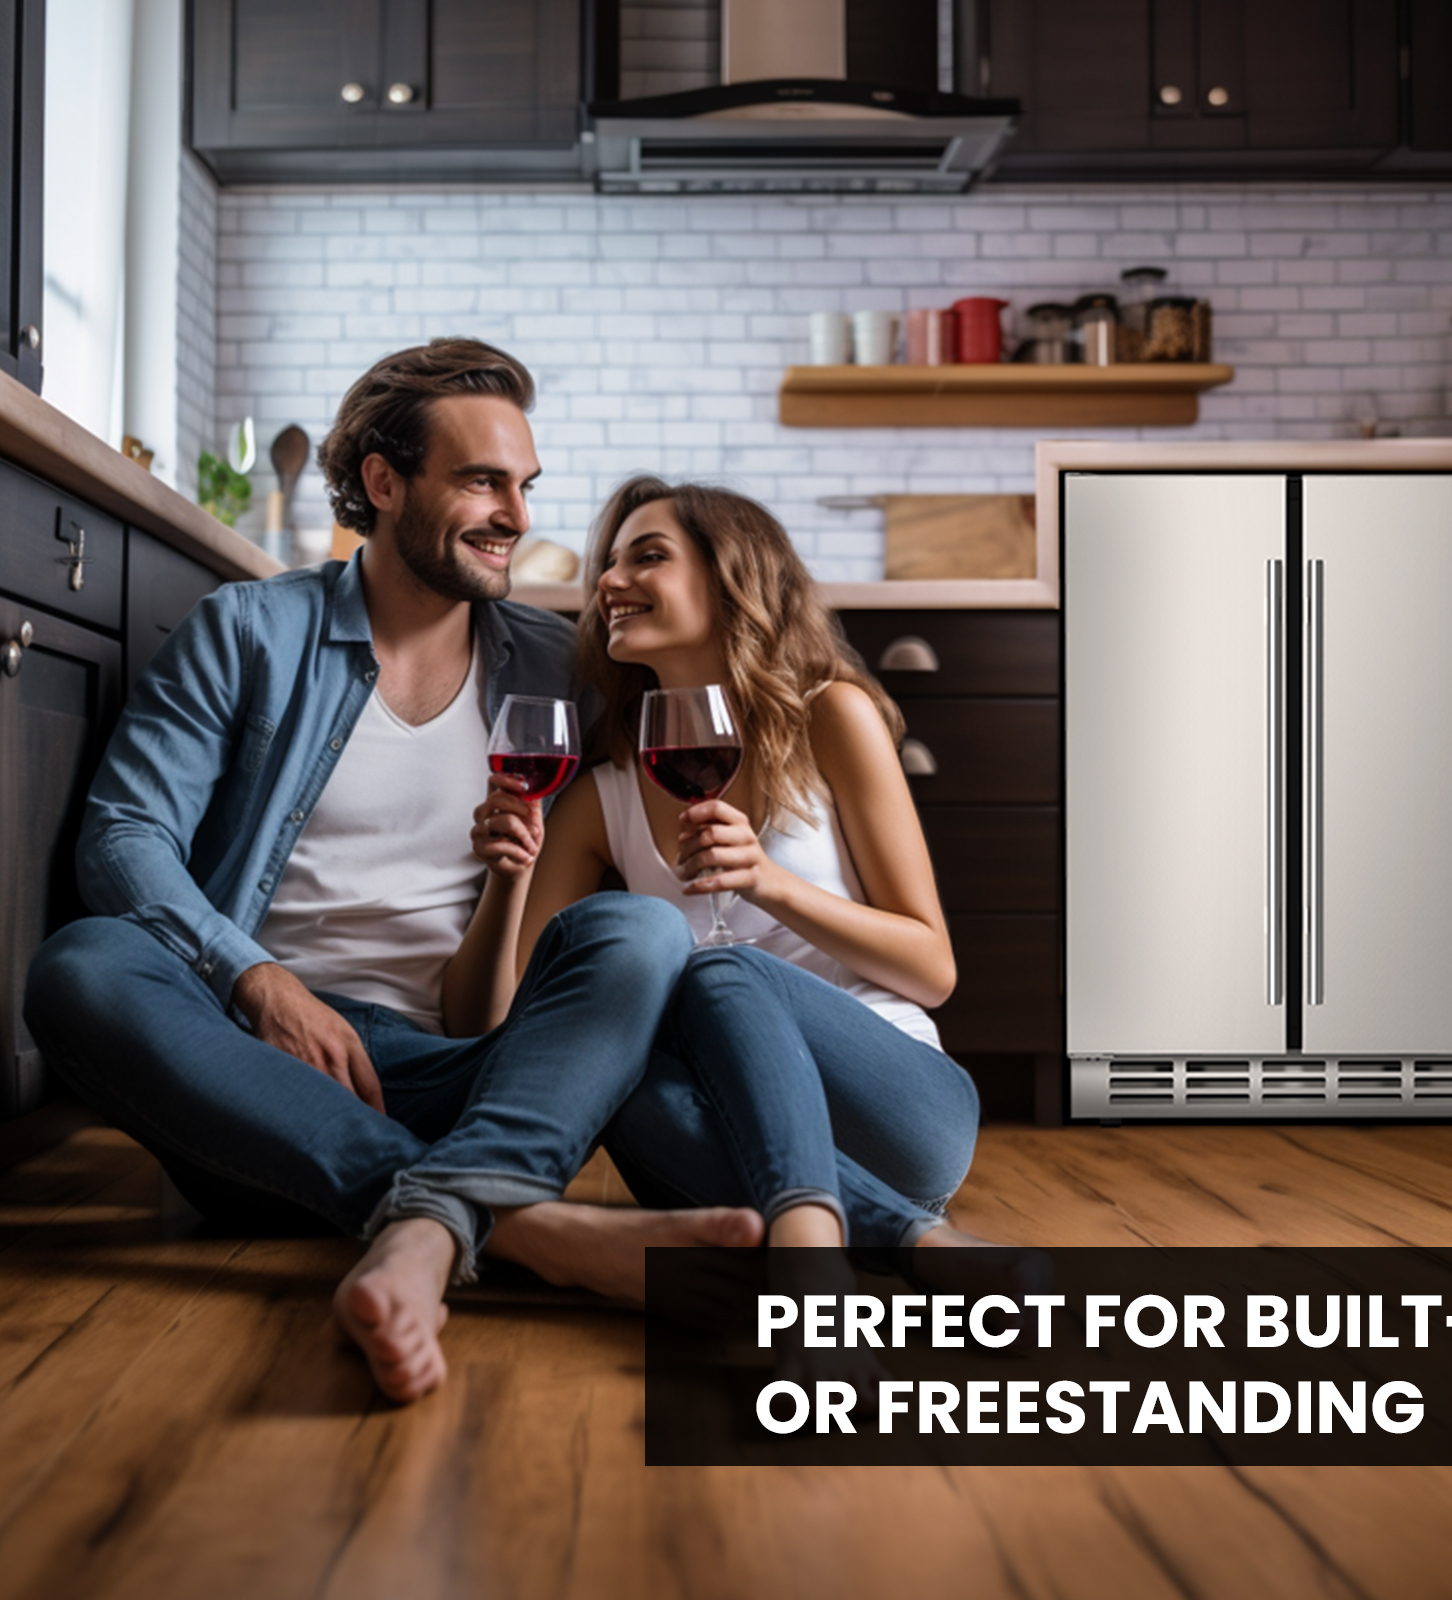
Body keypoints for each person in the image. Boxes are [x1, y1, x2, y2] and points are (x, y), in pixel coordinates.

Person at [24, 346, 760, 1407]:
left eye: (524, 486)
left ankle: (426, 1219)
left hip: (470, 1074)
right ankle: (513, 1220)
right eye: (481, 481)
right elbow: (124, 834)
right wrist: (255, 980)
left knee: (636, 936)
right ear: (382, 481)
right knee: (81, 967)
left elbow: (706, 689)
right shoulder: (251, 631)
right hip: (255, 1078)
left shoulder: (551, 667)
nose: (514, 514)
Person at [448, 476, 1001, 1270]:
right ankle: (893, 1244)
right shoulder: (602, 796)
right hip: (730, 1150)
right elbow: (501, 1028)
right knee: (614, 1079)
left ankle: (831, 1242)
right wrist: (506, 878)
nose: (608, 581)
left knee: (715, 975)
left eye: (648, 556)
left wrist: (770, 884)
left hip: (898, 1106)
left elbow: (932, 967)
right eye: (608, 562)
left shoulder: (829, 718)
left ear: (730, 575)